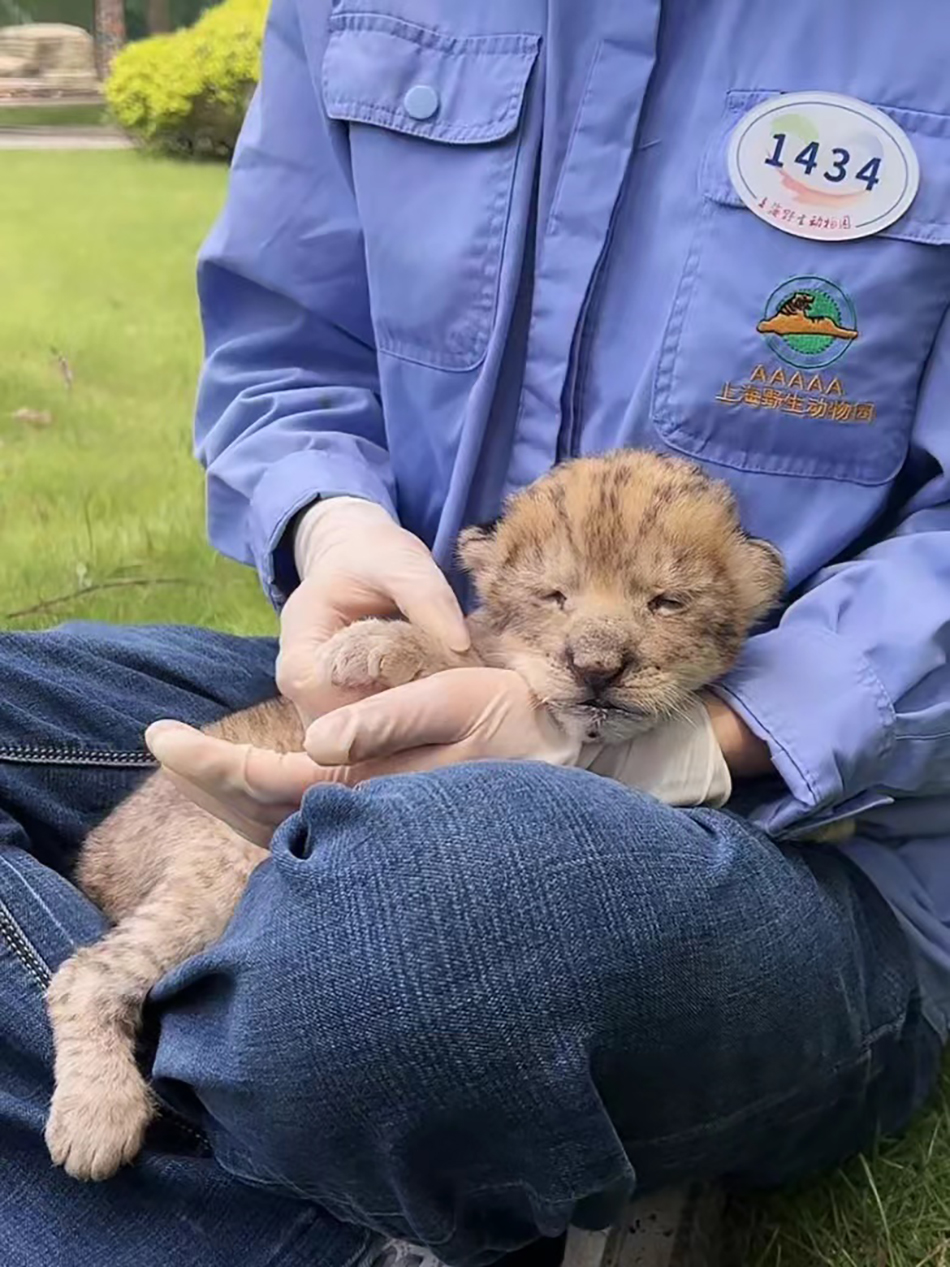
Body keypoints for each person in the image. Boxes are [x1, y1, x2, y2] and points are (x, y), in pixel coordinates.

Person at [3, 1, 950, 1263]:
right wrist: (331, 527)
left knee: (427, 930)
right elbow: (286, 353)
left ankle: (299, 1076)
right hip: (432, 681)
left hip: (809, 829)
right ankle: (351, 1160)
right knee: (346, 944)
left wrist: (717, 736)